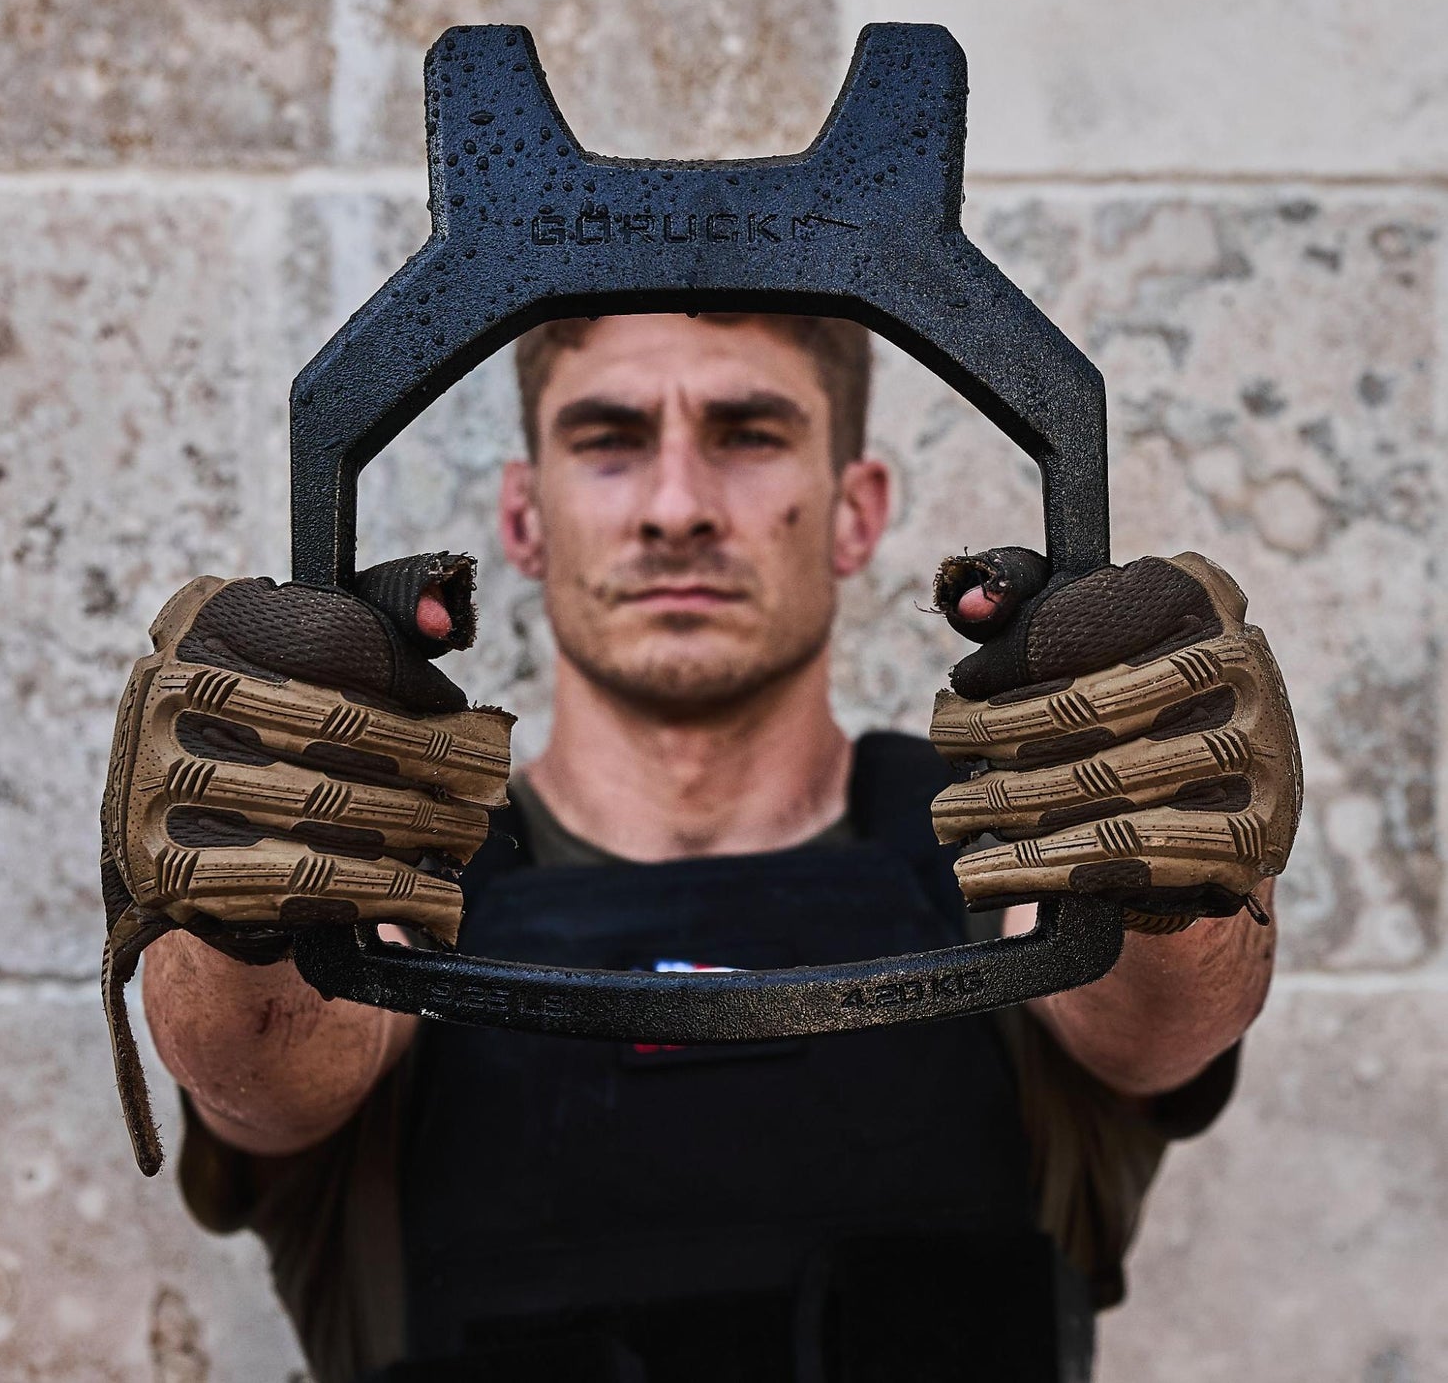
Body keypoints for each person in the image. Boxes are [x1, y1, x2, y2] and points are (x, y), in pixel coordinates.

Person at [122, 312, 1300, 1383]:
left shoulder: (1008, 846)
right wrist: (242, 908)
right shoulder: (395, 882)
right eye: (610, 438)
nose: (676, 504)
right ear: (525, 517)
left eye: (747, 435)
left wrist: (1172, 878)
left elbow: (1160, 1023)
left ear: (859, 511)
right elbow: (261, 1068)